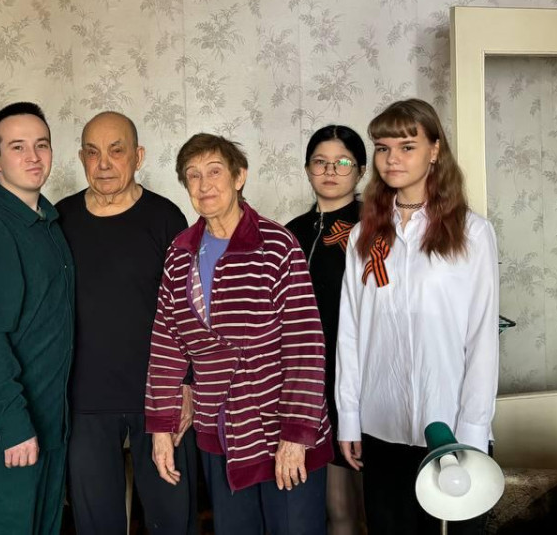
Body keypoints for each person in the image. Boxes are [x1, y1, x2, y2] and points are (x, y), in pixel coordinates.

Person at [146, 133, 332, 535]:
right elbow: (167, 344)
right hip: (220, 428)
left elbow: (305, 345)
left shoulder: (277, 245)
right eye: (193, 175)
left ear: (239, 176)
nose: (204, 185)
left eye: (215, 171)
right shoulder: (180, 253)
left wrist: (295, 436)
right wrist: (161, 427)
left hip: (282, 426)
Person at [335, 99, 500, 535]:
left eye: (407, 147)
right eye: (383, 148)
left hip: (450, 424)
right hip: (381, 423)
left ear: (434, 150)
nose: (392, 159)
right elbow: (350, 332)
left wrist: (473, 430)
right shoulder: (363, 235)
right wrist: (349, 416)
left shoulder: (472, 233)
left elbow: (482, 338)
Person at [55, 112, 196, 534]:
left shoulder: (166, 218)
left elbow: (188, 309)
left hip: (159, 394)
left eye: (116, 151)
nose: (103, 163)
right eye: (92, 152)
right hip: (85, 399)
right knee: (96, 523)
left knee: (172, 518)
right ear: (80, 158)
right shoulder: (60, 219)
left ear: (138, 156)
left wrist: (187, 383)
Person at [0, 102, 75, 535]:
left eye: (41, 145)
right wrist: (12, 424)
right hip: (11, 428)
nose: (33, 157)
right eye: (17, 147)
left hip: (50, 422)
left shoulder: (48, 221)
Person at [284, 125, 368, 535]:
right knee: (333, 505)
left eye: (342, 162)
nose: (330, 171)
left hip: (362, 377)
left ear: (361, 171)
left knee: (374, 503)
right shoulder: (289, 234)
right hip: (308, 382)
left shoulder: (378, 226)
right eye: (320, 162)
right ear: (307, 169)